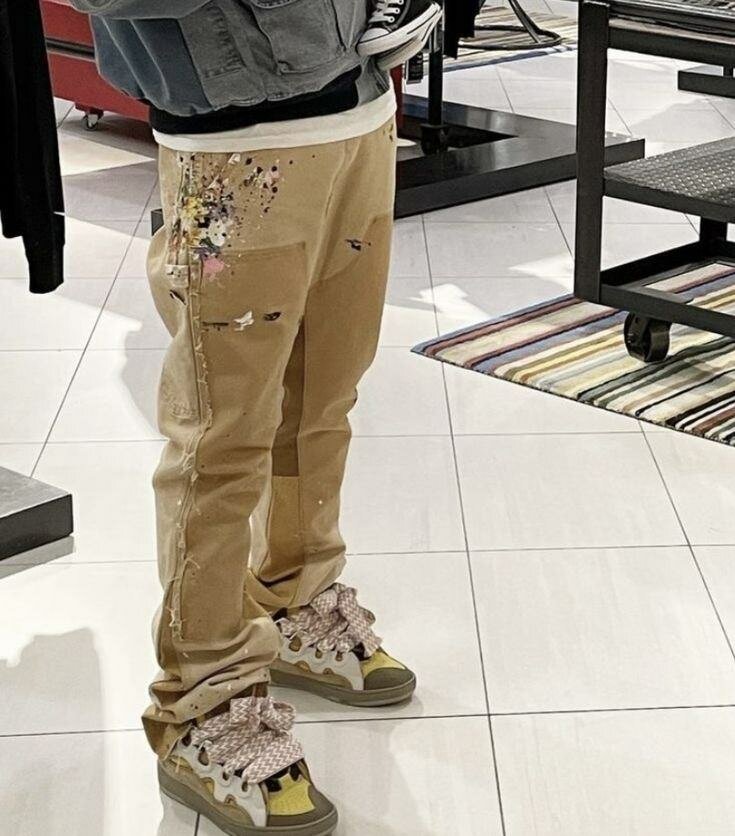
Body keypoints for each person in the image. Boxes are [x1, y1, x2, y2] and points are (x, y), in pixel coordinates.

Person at [69, 2, 434, 834]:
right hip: (232, 141)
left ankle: (295, 594)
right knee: (221, 436)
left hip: (360, 103)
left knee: (323, 398)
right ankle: (203, 701)